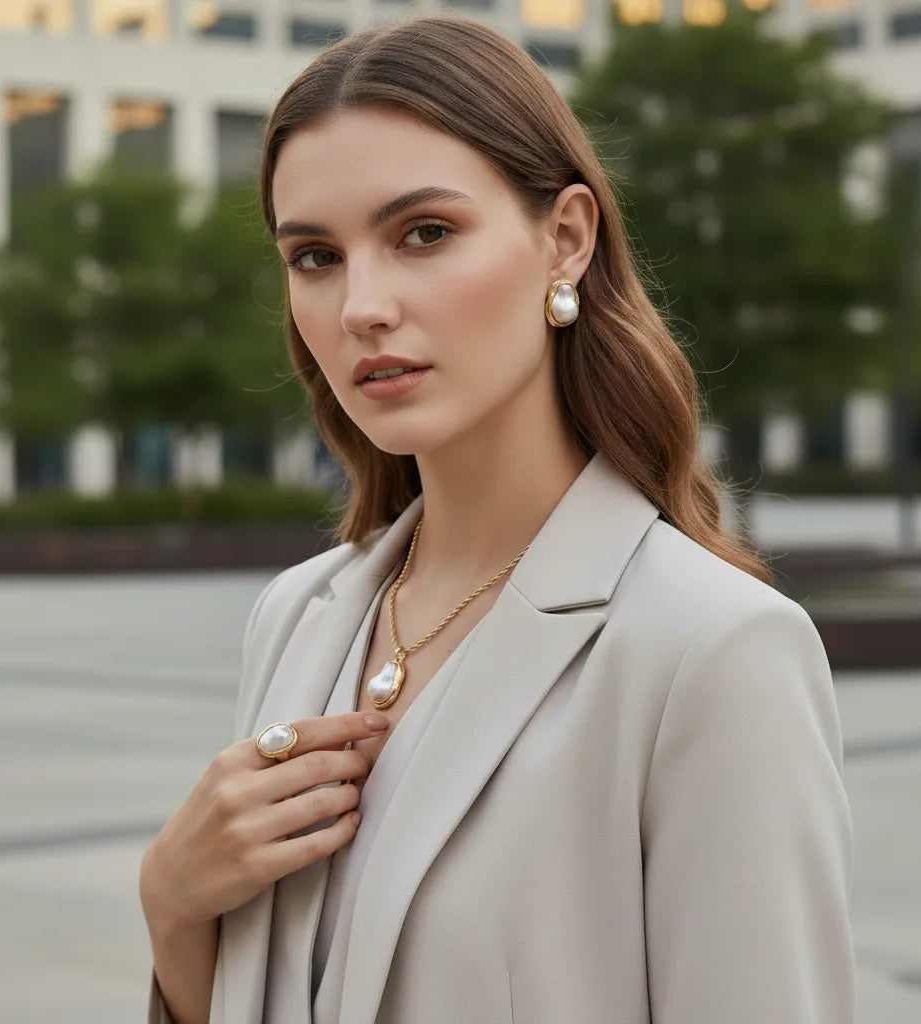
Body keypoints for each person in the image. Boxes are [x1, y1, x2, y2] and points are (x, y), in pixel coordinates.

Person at [139, 14, 855, 1024]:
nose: (362, 307)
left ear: (564, 238)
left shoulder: (711, 650)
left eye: (422, 234)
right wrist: (174, 909)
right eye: (314, 256)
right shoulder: (297, 615)